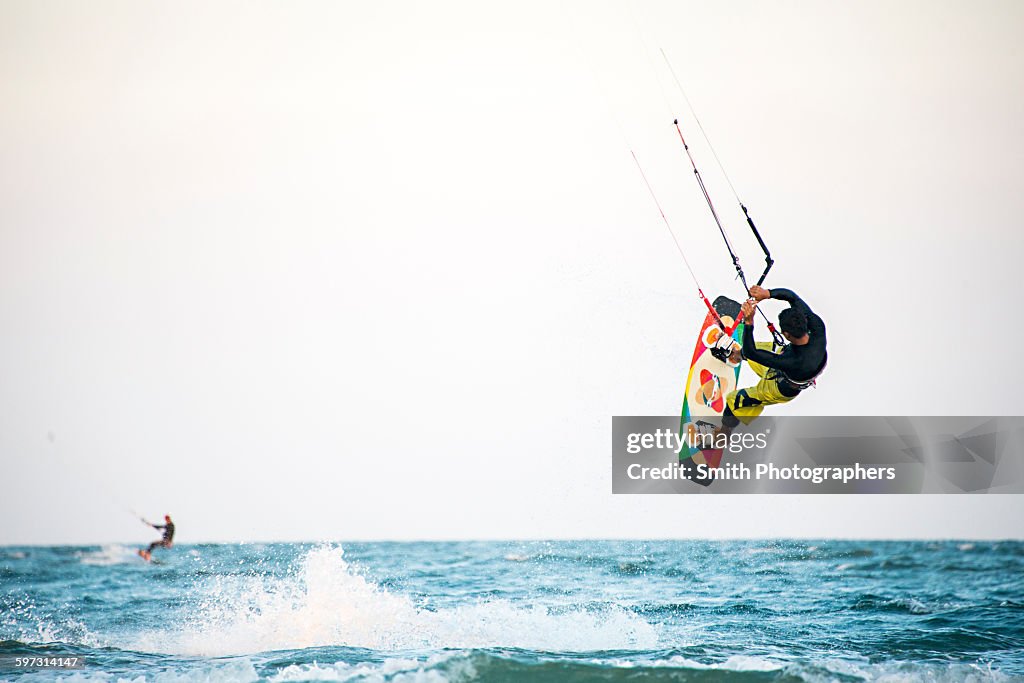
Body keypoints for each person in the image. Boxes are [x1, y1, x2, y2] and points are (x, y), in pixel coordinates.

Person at [720, 285, 827, 432]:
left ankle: (722, 434)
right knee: (755, 348)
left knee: (736, 400)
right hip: (787, 357)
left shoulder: (794, 361)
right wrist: (767, 293)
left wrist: (749, 322)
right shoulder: (817, 327)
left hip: (779, 387)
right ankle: (734, 356)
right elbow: (792, 296)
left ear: (786, 335)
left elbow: (752, 353)